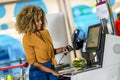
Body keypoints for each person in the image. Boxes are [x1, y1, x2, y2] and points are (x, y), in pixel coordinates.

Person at [15, 5, 72, 80]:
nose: (41, 22)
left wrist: (62, 49)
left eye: (41, 19)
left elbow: (49, 52)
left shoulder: (45, 32)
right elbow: (33, 62)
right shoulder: (27, 38)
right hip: (38, 74)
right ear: (29, 22)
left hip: (51, 68)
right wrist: (53, 72)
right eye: (37, 21)